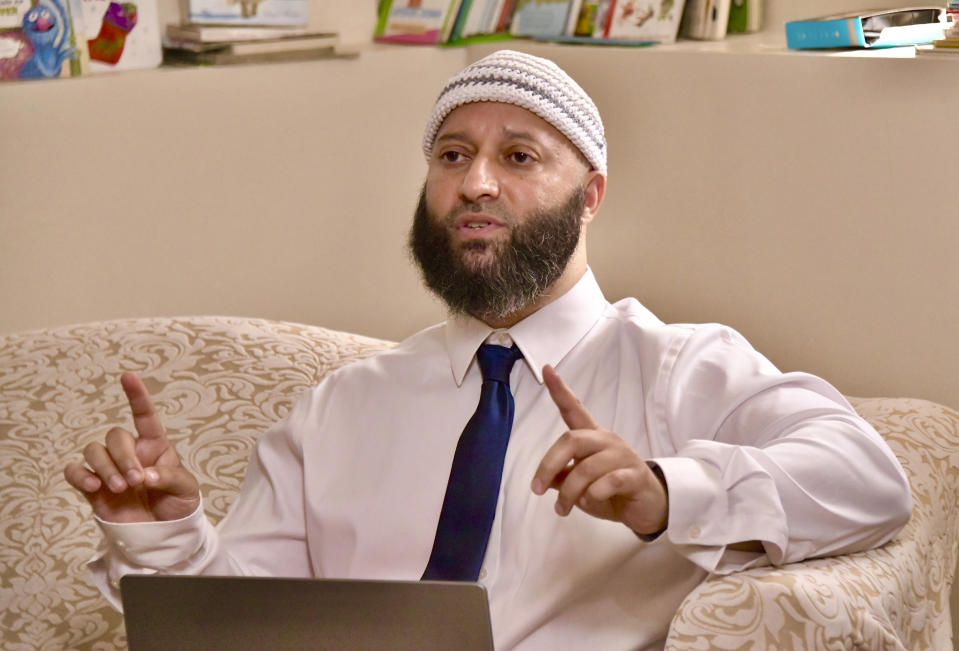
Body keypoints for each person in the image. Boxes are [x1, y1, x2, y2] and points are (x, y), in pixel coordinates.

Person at [64, 50, 911, 649]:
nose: (475, 182)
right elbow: (247, 622)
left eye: (517, 156)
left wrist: (665, 490)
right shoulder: (344, 405)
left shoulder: (677, 364)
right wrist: (164, 534)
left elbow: (865, 478)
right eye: (452, 154)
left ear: (590, 196)